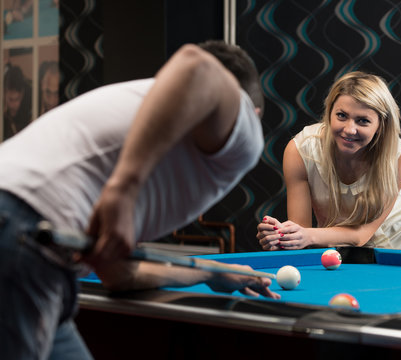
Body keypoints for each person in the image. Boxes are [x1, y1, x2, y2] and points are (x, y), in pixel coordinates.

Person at [0, 40, 279, 360]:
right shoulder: (246, 133)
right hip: (23, 231)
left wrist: (211, 271)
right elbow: (196, 65)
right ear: (250, 113)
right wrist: (123, 189)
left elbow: (118, 275)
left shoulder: (143, 115)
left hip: (33, 241)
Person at [257, 71, 401, 252]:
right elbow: (301, 232)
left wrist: (305, 235)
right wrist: (282, 236)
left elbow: (361, 234)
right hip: (340, 244)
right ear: (329, 112)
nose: (349, 130)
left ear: (381, 125)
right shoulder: (301, 151)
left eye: (363, 121)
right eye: (341, 115)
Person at [3, 64, 32, 139]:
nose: (13, 105)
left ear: (22, 94)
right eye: (10, 99)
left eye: (16, 99)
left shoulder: (30, 107)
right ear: (4, 94)